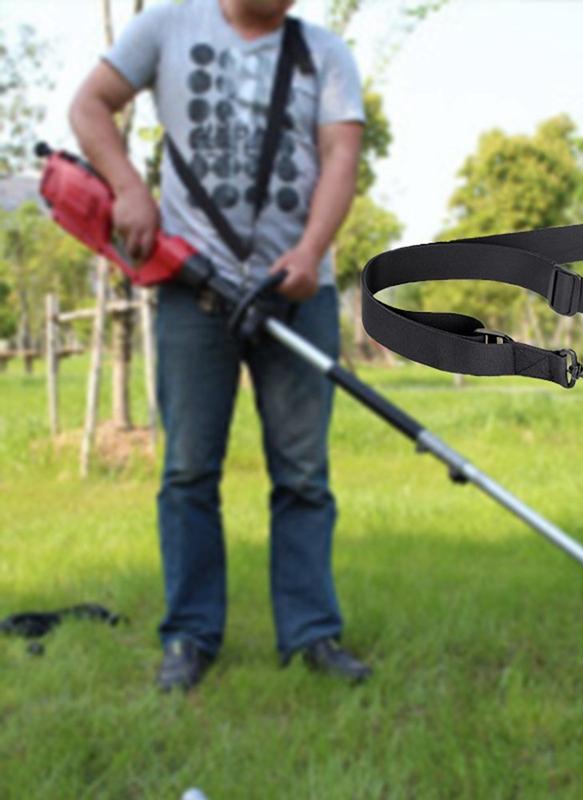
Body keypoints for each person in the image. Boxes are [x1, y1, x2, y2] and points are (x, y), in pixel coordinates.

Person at [68, 0, 371, 690]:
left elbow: (341, 155)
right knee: (187, 471)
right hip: (192, 289)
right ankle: (190, 636)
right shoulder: (165, 27)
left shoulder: (325, 54)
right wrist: (127, 187)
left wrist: (310, 252)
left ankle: (312, 634)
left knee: (302, 474)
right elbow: (89, 106)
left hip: (296, 292)